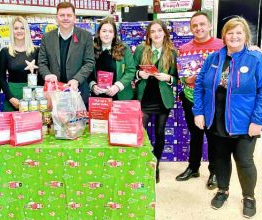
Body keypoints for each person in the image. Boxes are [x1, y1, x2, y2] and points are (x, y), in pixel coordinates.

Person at [193, 16, 262, 218]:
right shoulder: (213, 58)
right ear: (224, 36)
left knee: (244, 160)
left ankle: (249, 197)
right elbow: (199, 86)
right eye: (230, 32)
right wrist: (199, 112)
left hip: (244, 122)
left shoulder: (255, 59)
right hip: (216, 119)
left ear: (246, 36)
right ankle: (222, 190)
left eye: (239, 32)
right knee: (221, 159)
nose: (234, 36)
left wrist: (258, 120)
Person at [175, 12, 224, 190]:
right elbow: (180, 74)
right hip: (191, 98)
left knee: (213, 136)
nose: (198, 28)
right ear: (190, 28)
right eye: (195, 25)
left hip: (214, 99)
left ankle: (215, 171)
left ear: (210, 26)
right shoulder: (184, 48)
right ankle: (193, 167)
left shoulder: (222, 46)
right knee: (195, 134)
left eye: (202, 24)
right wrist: (185, 80)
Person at [133, 20, 178, 183]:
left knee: (159, 133)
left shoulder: (172, 53)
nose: (156, 34)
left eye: (160, 30)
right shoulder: (140, 50)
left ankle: (155, 165)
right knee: (141, 133)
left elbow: (179, 78)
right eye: (153, 31)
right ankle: (142, 164)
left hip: (162, 100)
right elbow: (132, 71)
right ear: (148, 35)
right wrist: (139, 75)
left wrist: (169, 78)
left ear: (165, 33)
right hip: (144, 98)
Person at [38, 2, 94, 106]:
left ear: (74, 18)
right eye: (62, 15)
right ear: (57, 18)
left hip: (79, 92)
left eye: (69, 15)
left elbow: (89, 62)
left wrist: (77, 80)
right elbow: (42, 62)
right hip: (54, 94)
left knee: (79, 122)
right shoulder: (47, 38)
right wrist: (47, 75)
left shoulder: (86, 36)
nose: (65, 18)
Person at [0, 16, 39, 111]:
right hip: (12, 95)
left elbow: (40, 76)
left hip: (32, 95)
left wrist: (37, 95)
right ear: (12, 31)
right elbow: (1, 78)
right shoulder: (5, 52)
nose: (19, 31)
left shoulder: (36, 51)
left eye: (22, 28)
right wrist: (10, 98)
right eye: (16, 28)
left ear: (27, 30)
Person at [89, 16, 135, 100]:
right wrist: (92, 85)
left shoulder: (124, 49)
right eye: (104, 31)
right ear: (99, 33)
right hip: (98, 97)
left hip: (119, 95)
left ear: (114, 35)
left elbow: (131, 71)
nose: (107, 34)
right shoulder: (91, 49)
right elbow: (88, 72)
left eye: (110, 31)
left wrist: (118, 86)